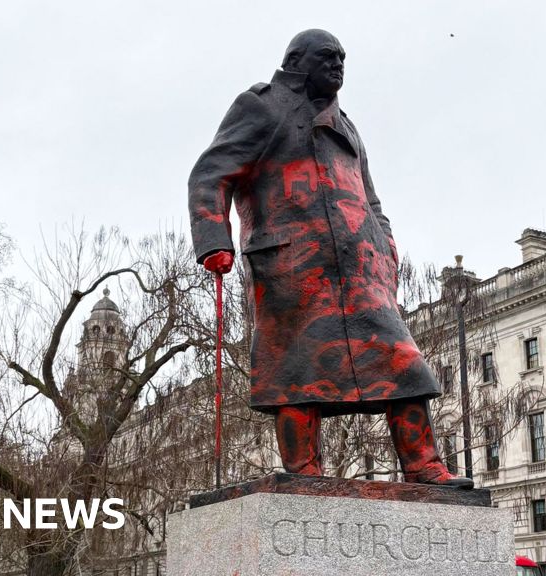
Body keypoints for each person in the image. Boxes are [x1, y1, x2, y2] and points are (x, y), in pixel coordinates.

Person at [189, 29, 472, 488]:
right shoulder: (260, 106)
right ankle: (304, 472)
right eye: (328, 58)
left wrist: (386, 251)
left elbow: (371, 198)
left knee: (403, 363)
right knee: (294, 369)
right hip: (291, 266)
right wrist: (213, 240)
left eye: (343, 58)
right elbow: (210, 174)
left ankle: (423, 464)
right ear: (298, 61)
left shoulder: (348, 124)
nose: (339, 66)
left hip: (361, 270)